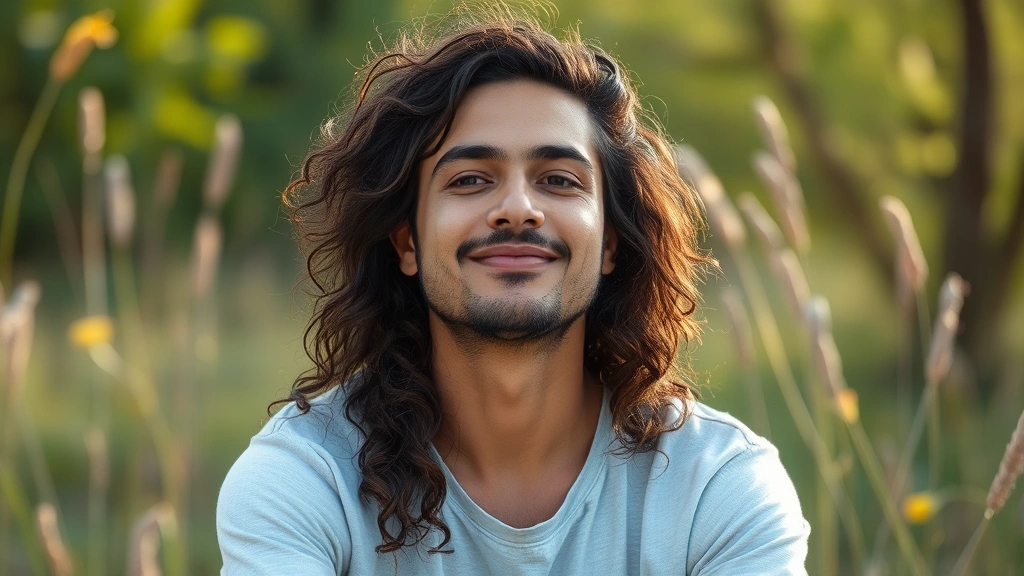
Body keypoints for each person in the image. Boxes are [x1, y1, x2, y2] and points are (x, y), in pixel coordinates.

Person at [216, 5, 809, 574]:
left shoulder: (718, 486)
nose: (518, 209)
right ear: (406, 243)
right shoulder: (304, 479)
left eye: (558, 179)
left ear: (610, 243)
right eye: (471, 179)